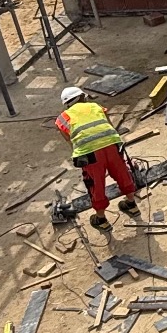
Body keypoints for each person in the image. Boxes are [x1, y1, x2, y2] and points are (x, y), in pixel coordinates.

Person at [54, 85, 140, 232]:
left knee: (95, 184)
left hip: (90, 154)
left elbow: (70, 141)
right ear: (82, 97)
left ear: (66, 104)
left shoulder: (63, 117)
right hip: (112, 145)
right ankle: (131, 205)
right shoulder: (96, 106)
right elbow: (110, 125)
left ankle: (101, 220)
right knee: (122, 173)